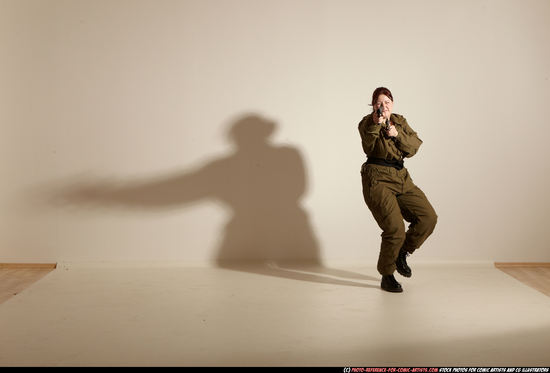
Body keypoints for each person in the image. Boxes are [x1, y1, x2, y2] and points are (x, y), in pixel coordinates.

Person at [358, 87, 437, 293]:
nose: (383, 106)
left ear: (392, 104)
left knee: (428, 217)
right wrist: (377, 125)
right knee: (395, 228)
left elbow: (413, 147)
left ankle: (402, 252)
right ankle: (387, 274)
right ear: (373, 105)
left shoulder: (400, 121)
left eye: (387, 102)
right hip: (377, 177)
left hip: (401, 176)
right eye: (378, 103)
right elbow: (368, 146)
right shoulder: (366, 123)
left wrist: (397, 133)